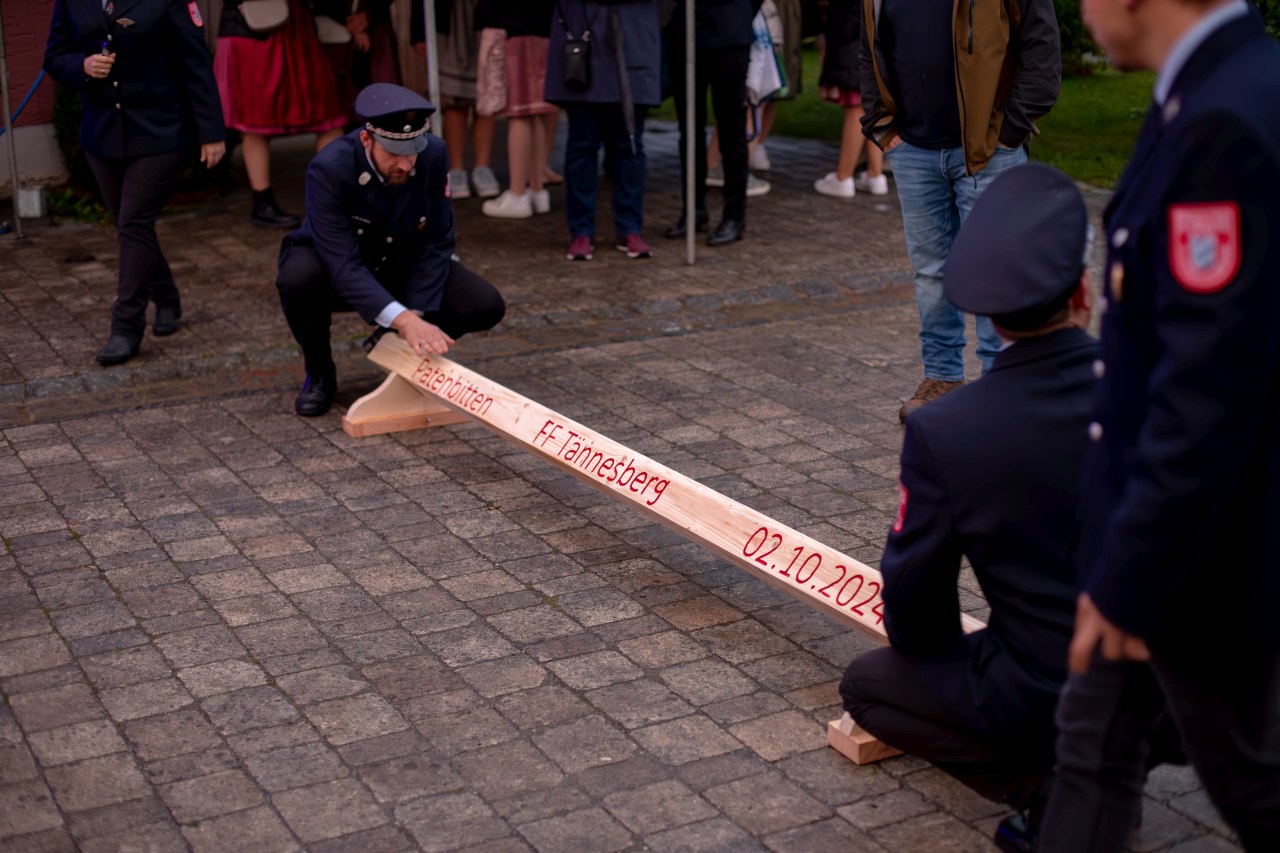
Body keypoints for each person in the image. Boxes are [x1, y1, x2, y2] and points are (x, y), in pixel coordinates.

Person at [1038, 0, 1280, 850]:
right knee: (1092, 742)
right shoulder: (1221, 88)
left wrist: (1130, 573)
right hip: (1161, 532)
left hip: (1200, 548)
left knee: (1254, 784)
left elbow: (1205, 391)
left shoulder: (1221, 121)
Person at [839, 164, 1097, 852]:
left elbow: (917, 613)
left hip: (1061, 694)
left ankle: (1059, 796)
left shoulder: (947, 430)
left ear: (986, 317)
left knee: (869, 685)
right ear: (1086, 292)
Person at [859, 0, 1061, 422]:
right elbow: (869, 46)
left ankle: (1000, 381)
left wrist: (1010, 132)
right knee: (931, 270)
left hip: (991, 152)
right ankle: (943, 377)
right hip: (913, 150)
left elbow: (1041, 50)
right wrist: (882, 123)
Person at [274, 84, 506, 417]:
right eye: (394, 153)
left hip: (398, 258)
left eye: (413, 151)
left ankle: (393, 344)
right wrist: (405, 319)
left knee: (485, 304)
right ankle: (320, 373)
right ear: (367, 139)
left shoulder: (434, 154)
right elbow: (341, 262)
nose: (406, 164)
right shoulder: (330, 167)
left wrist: (414, 314)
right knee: (297, 278)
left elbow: (438, 239)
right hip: (333, 264)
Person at [43, 0, 226, 366]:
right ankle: (167, 296)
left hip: (161, 132)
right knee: (129, 225)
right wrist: (81, 65)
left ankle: (126, 328)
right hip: (103, 135)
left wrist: (211, 133)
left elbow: (195, 63)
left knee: (134, 223)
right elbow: (54, 56)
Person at [215, 0, 347, 228]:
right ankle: (263, 203)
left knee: (327, 115)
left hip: (289, 27)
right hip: (255, 27)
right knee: (254, 121)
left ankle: (330, 200)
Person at [546, 0, 662, 259]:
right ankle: (581, 231)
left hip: (633, 40)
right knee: (582, 145)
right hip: (584, 36)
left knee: (630, 145)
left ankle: (630, 228)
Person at [664, 0, 761, 247]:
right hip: (684, 33)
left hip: (729, 32)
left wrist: (738, 14)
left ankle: (734, 217)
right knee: (689, 129)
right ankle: (693, 209)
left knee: (731, 129)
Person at [410, 0, 501, 200]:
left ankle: (482, 167)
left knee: (487, 97)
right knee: (454, 97)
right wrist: (418, 32)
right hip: (451, 24)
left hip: (488, 20)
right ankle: (456, 168)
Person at [480, 0, 559, 219]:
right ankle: (536, 190)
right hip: (541, 28)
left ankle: (518, 194)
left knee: (519, 112)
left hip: (514, 28)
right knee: (533, 112)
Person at [812, 0, 885, 199]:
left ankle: (843, 177)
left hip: (855, 42)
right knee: (872, 108)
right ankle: (875, 174)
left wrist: (839, 32)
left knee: (857, 108)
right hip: (873, 40)